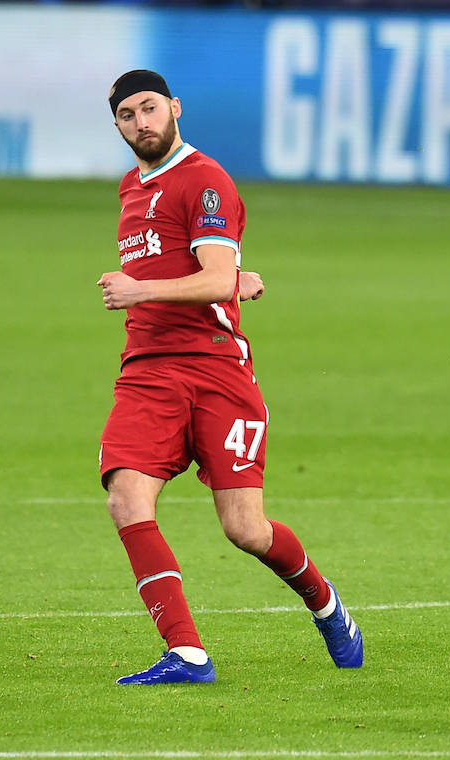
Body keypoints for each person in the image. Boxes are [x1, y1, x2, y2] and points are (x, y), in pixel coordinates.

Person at [96, 70, 363, 685]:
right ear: (117, 125)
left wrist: (151, 289)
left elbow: (213, 277)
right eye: (129, 114)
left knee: (245, 528)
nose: (143, 122)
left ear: (175, 109)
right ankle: (187, 653)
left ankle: (325, 605)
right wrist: (233, 280)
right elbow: (213, 272)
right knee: (125, 499)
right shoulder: (129, 190)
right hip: (147, 370)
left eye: (152, 109)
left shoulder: (205, 180)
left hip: (216, 368)